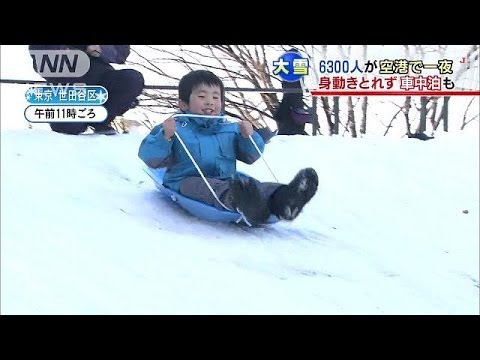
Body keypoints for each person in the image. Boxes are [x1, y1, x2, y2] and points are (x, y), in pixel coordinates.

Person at [138, 70, 318, 225]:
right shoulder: (176, 127)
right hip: (185, 180)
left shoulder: (229, 128)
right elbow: (151, 158)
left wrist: (248, 137)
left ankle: (285, 199)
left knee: (255, 186)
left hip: (227, 179)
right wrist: (165, 137)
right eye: (202, 96)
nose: (210, 102)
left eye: (216, 97)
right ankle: (246, 204)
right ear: (183, 104)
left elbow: (251, 156)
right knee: (213, 187)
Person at [28, 45, 144, 135]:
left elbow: (121, 53)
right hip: (68, 86)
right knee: (68, 127)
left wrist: (99, 48)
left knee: (132, 79)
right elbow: (40, 60)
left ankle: (101, 120)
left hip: (101, 79)